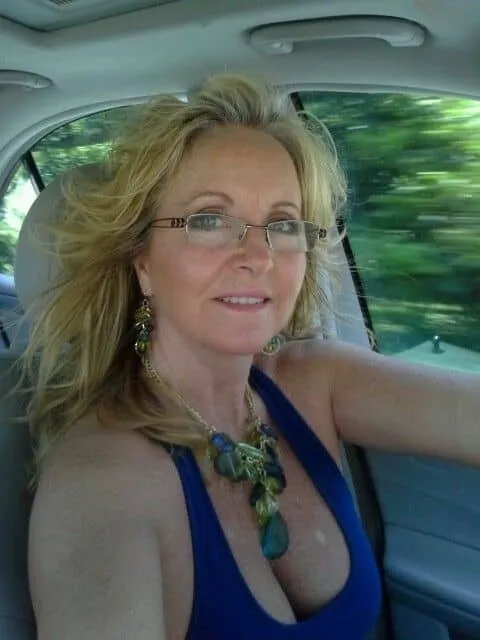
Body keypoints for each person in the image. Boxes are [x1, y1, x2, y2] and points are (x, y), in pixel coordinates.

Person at [22, 74, 479, 640]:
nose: (259, 256)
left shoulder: (313, 380)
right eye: (210, 219)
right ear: (143, 262)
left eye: (282, 224)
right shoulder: (101, 484)